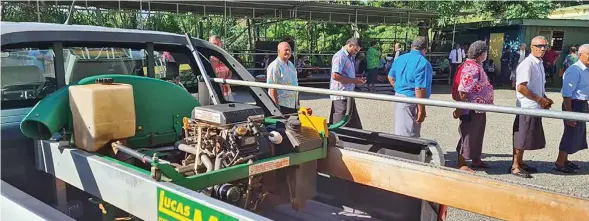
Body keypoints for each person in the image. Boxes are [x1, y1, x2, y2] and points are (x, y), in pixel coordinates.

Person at [510, 36, 554, 178]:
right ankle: (515, 166)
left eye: (545, 46)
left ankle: (520, 162)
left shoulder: (539, 63)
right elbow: (521, 87)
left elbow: (538, 85)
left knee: (527, 136)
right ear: (532, 47)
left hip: (535, 106)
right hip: (526, 106)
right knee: (521, 136)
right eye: (539, 46)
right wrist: (539, 99)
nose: (542, 49)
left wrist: (544, 98)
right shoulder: (527, 64)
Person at [452, 41, 494, 172]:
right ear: (481, 54)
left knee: (477, 134)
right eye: (486, 52)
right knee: (468, 134)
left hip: (479, 108)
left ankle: (475, 158)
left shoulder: (476, 66)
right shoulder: (472, 68)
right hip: (470, 109)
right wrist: (459, 109)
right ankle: (461, 162)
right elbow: (463, 90)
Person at [388, 36, 433, 138]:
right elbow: (420, 88)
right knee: (409, 133)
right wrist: (422, 109)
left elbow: (390, 77)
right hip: (412, 101)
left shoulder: (400, 58)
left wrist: (399, 89)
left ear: (412, 46)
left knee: (401, 129)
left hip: (399, 97)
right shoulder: (423, 62)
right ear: (425, 49)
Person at [555, 44, 589, 173]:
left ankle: (565, 159)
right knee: (570, 133)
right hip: (572, 104)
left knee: (576, 134)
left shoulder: (586, 69)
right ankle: (559, 161)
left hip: (581, 103)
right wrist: (569, 114)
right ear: (581, 55)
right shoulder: (574, 70)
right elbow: (567, 93)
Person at [329, 38, 365, 129]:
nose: (356, 52)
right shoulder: (340, 56)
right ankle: (338, 141)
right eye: (355, 50)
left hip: (347, 94)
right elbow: (335, 76)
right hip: (340, 95)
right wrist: (354, 81)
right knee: (340, 124)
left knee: (352, 122)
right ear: (350, 45)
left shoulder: (349, 57)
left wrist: (356, 80)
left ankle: (355, 140)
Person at [266, 42, 299, 113]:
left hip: (293, 104)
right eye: (286, 50)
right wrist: (276, 107)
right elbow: (272, 87)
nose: (288, 52)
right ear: (279, 51)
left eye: (290, 50)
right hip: (282, 104)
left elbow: (295, 83)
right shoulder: (274, 66)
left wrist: (297, 102)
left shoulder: (290, 64)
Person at [209, 35, 234, 101]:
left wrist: (227, 80)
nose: (216, 46)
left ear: (221, 44)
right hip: (213, 94)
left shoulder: (226, 57)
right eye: (214, 44)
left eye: (218, 43)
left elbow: (230, 71)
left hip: (227, 91)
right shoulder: (207, 59)